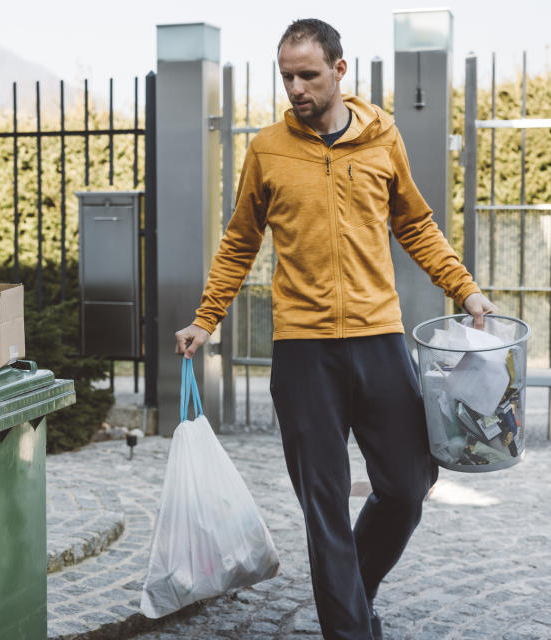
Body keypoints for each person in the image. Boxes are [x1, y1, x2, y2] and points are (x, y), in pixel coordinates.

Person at [174, 18, 497, 640]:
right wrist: (206, 318)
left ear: (339, 71)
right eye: (287, 76)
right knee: (323, 512)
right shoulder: (268, 148)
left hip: (379, 339)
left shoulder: (382, 139)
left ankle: (355, 589)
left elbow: (417, 225)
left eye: (308, 75)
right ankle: (349, 629)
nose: (295, 88)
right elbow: (240, 240)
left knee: (407, 485)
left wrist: (465, 287)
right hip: (303, 351)